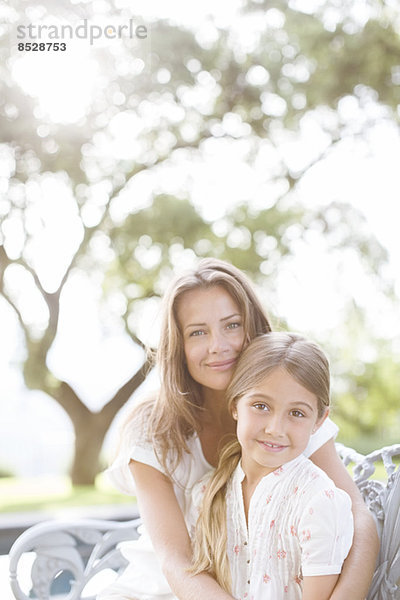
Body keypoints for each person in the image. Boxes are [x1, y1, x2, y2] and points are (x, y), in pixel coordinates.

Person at [98, 258, 378, 600]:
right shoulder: (152, 429)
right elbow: (176, 560)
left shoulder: (291, 412)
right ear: (179, 346)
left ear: (253, 328)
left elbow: (358, 518)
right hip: (163, 589)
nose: (218, 345)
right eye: (198, 332)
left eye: (231, 325)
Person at [190, 332, 354, 599]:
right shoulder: (205, 493)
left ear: (319, 421)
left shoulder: (319, 502)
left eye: (297, 413)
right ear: (235, 406)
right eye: (261, 406)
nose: (275, 429)